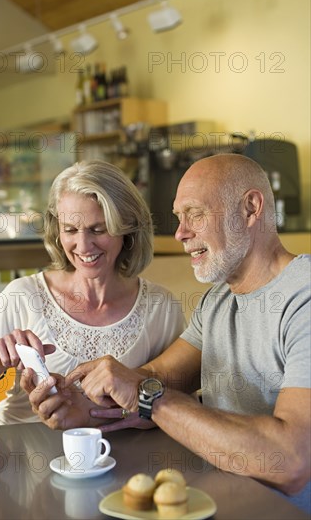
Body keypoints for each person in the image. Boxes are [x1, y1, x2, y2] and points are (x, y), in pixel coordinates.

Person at [61, 153, 310, 513]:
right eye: (179, 218)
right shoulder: (219, 299)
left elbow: (292, 461)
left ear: (250, 209)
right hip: (215, 500)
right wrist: (85, 405)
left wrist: (150, 397)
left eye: (195, 213)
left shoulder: (304, 298)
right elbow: (160, 377)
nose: (180, 233)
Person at [0, 160, 186, 425]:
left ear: (127, 227)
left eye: (99, 229)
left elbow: (177, 407)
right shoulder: (22, 296)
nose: (83, 246)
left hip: (116, 456)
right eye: (70, 230)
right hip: (23, 452)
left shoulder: (160, 307)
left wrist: (120, 413)